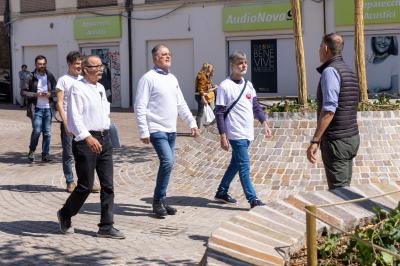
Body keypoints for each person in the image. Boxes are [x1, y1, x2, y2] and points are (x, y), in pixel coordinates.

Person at [57, 55, 125, 239]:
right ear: (86, 69)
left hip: (104, 139)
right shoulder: (77, 88)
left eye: (101, 66)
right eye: (96, 66)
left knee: (108, 185)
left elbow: (105, 114)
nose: (100, 69)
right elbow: (74, 117)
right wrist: (87, 137)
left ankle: (106, 226)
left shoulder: (101, 87)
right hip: (86, 141)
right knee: (85, 186)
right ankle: (65, 213)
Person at [134, 44, 200, 217]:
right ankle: (157, 201)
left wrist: (192, 123)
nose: (168, 56)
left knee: (168, 165)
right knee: (167, 162)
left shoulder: (172, 79)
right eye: (164, 54)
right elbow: (139, 106)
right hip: (156, 129)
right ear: (155, 58)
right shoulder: (148, 79)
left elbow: (181, 104)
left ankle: (162, 199)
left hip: (171, 130)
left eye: (169, 54)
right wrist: (144, 131)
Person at [214, 51, 272, 209]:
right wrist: (222, 135)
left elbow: (256, 106)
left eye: (245, 62)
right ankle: (253, 200)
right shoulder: (224, 86)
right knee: (244, 166)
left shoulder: (249, 85)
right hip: (235, 133)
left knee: (235, 164)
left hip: (248, 133)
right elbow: (219, 113)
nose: (244, 65)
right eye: (240, 63)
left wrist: (264, 123)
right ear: (232, 66)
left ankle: (222, 191)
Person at [307, 33, 360, 190]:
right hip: (351, 137)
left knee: (339, 192)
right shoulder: (348, 71)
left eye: (319, 48)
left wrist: (315, 140)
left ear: (325, 48)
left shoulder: (330, 72)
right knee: (345, 188)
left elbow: (329, 109)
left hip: (337, 141)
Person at [56, 51, 83, 193]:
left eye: (80, 63)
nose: (79, 66)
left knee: (83, 153)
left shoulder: (83, 79)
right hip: (68, 122)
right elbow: (60, 103)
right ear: (69, 64)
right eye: (76, 64)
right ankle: (70, 181)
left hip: (82, 123)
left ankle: (85, 181)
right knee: (68, 153)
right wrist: (65, 122)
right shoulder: (63, 80)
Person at [22, 55, 57, 163]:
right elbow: (23, 92)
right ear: (35, 65)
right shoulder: (30, 77)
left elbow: (57, 90)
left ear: (45, 64)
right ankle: (32, 151)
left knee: (47, 133)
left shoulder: (50, 75)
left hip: (48, 108)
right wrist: (35, 94)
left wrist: (50, 93)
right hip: (35, 108)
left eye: (43, 64)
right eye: (39, 64)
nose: (41, 66)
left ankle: (45, 155)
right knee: (37, 131)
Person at [195, 63, 218, 128]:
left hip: (203, 96)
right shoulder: (202, 76)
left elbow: (206, 88)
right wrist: (203, 99)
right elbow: (201, 89)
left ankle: (201, 127)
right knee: (200, 113)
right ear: (207, 69)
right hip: (201, 96)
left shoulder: (205, 76)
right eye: (211, 69)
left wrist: (213, 87)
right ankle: (198, 129)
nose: (212, 70)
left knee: (203, 112)